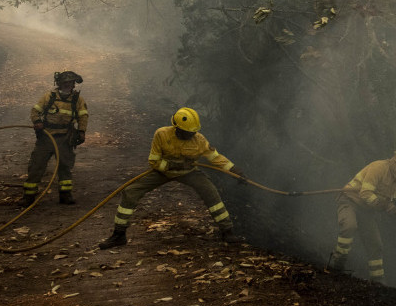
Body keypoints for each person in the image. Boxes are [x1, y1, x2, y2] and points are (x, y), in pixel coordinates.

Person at [99, 107, 246, 249]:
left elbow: (215, 157)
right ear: (177, 128)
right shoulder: (161, 135)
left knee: (211, 193)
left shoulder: (199, 139)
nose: (191, 135)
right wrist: (174, 166)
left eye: (193, 132)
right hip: (163, 172)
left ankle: (227, 232)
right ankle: (119, 235)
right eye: (187, 132)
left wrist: (234, 170)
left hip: (189, 173)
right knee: (130, 192)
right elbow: (154, 161)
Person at [327, 144, 396, 281]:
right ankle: (337, 264)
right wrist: (383, 205)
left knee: (375, 245)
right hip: (349, 201)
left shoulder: (395, 181)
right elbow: (365, 193)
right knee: (349, 226)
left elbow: (389, 200)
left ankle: (378, 282)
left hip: (366, 210)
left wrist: (394, 207)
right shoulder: (379, 167)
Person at [22, 70, 89, 205]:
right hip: (46, 138)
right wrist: (37, 122)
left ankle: (65, 195)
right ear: (59, 84)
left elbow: (83, 116)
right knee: (36, 166)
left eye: (70, 83)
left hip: (65, 138)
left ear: (73, 84)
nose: (68, 85)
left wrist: (82, 131)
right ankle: (28, 197)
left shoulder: (77, 100)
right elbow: (35, 110)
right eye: (65, 82)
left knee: (65, 166)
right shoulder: (49, 97)